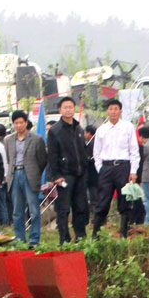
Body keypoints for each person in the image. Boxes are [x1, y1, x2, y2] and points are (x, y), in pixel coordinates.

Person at [92, 98, 140, 238]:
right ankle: (96, 235)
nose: (113, 112)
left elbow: (134, 150)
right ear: (107, 111)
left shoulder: (127, 127)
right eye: (110, 109)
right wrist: (100, 169)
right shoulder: (101, 129)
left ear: (120, 111)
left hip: (123, 167)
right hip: (106, 168)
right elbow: (96, 152)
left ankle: (124, 234)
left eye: (116, 109)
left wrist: (133, 171)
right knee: (103, 201)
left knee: (124, 201)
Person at [47, 97, 90, 244]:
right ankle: (64, 238)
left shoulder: (79, 128)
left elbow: (82, 151)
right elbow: (52, 155)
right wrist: (56, 175)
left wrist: (85, 168)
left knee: (80, 207)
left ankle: (80, 237)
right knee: (63, 209)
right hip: (65, 176)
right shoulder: (55, 131)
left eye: (71, 107)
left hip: (80, 174)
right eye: (65, 107)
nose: (68, 110)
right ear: (60, 110)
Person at [5, 110, 47, 246]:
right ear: (13, 124)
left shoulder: (36, 139)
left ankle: (34, 240)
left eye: (21, 122)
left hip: (30, 175)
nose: (18, 125)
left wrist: (35, 173)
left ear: (26, 123)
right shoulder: (8, 140)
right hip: (14, 175)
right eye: (16, 123)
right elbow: (8, 158)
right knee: (17, 211)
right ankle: (19, 239)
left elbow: (42, 160)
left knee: (34, 210)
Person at [84, 125, 99, 207]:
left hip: (92, 175)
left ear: (89, 133)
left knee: (94, 197)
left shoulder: (91, 144)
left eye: (85, 133)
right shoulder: (94, 142)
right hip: (95, 175)